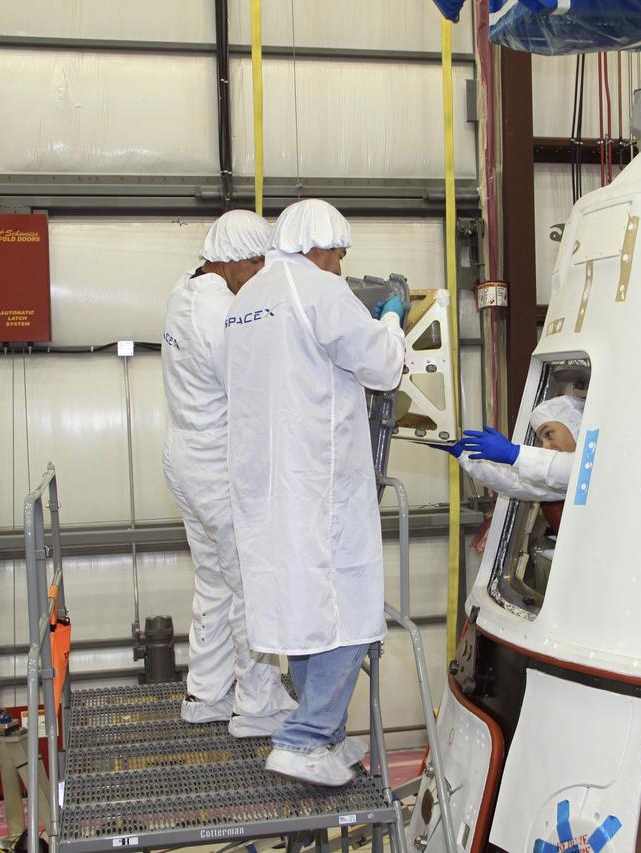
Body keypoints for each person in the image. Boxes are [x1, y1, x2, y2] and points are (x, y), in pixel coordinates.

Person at [222, 199, 406, 786]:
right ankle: (305, 739)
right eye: (341, 254)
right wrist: (393, 319)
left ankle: (320, 731)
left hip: (264, 484)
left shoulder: (247, 299)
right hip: (319, 481)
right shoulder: (319, 290)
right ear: (321, 247)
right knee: (347, 609)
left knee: (299, 607)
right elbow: (382, 368)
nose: (342, 265)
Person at [161, 210, 298, 737]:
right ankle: (257, 704)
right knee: (249, 583)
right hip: (217, 463)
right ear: (239, 259)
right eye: (258, 264)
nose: (261, 274)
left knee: (214, 580)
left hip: (183, 455)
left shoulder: (184, 288)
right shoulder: (220, 310)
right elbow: (249, 388)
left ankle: (206, 694)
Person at [436, 394, 585, 502]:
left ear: (576, 424)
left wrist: (514, 454)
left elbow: (579, 471)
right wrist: (463, 454)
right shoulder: (563, 485)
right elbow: (515, 483)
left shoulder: (600, 463)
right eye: (542, 440)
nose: (546, 447)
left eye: (549, 434)